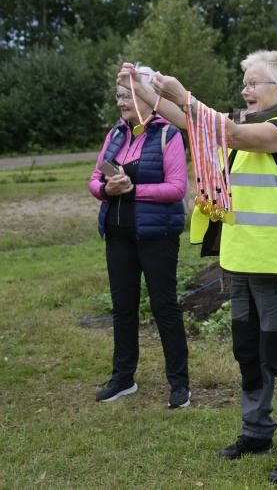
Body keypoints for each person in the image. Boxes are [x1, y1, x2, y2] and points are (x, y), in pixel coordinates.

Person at [118, 50, 277, 484]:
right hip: (239, 259)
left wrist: (183, 95)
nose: (245, 89)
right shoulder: (245, 126)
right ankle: (257, 431)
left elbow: (222, 130)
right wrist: (143, 90)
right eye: (244, 81)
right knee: (248, 352)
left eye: (254, 83)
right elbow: (194, 122)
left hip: (276, 262)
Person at [88, 66, 190, 409]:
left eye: (128, 95)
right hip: (117, 235)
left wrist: (131, 190)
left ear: (148, 98)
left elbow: (177, 188)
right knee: (123, 307)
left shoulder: (168, 135)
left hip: (156, 236)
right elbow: (93, 180)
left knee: (164, 307)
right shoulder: (114, 134)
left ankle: (179, 384)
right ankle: (122, 379)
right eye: (118, 96)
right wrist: (105, 187)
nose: (122, 103)